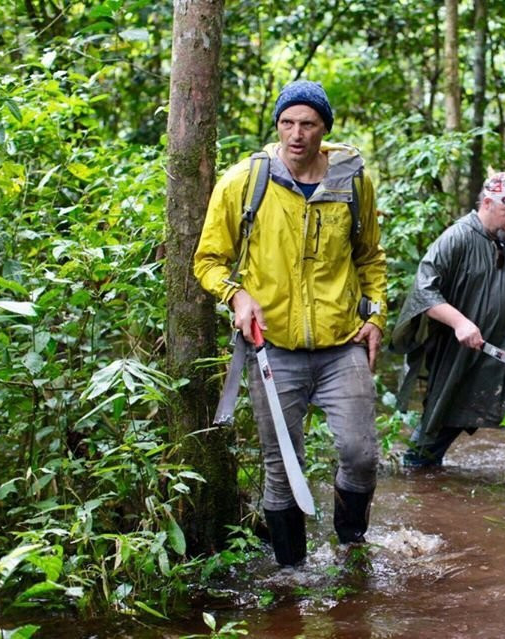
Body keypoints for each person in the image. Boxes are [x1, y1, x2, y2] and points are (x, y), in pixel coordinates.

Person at [193, 80, 387, 567]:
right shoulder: (244, 182)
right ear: (277, 125)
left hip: (342, 343)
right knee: (282, 469)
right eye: (287, 123)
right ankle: (292, 574)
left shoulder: (353, 181)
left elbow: (370, 258)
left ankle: (350, 547)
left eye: (308, 124)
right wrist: (236, 296)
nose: (296, 134)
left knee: (361, 455)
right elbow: (209, 260)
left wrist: (376, 315)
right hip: (272, 346)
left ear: (325, 129)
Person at [391, 172, 505, 471]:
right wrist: (460, 323)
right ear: (487, 203)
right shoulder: (457, 237)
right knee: (440, 422)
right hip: (468, 355)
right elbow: (424, 291)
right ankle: (415, 473)